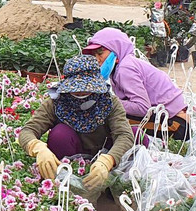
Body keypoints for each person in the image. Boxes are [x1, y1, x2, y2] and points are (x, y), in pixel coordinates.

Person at [18, 55, 135, 199]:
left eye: (87, 88)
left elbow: (124, 135)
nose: (81, 93)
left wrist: (109, 160)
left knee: (137, 136)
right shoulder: (56, 102)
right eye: (77, 89)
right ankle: (70, 189)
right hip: (70, 157)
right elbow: (27, 131)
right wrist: (37, 148)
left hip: (103, 155)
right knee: (60, 134)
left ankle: (115, 189)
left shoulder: (109, 102)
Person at [82, 27, 190, 140]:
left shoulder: (125, 69)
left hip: (175, 125)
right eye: (94, 55)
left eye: (100, 53)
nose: (98, 59)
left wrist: (107, 101)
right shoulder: (120, 67)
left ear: (116, 49)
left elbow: (142, 107)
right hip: (168, 118)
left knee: (110, 123)